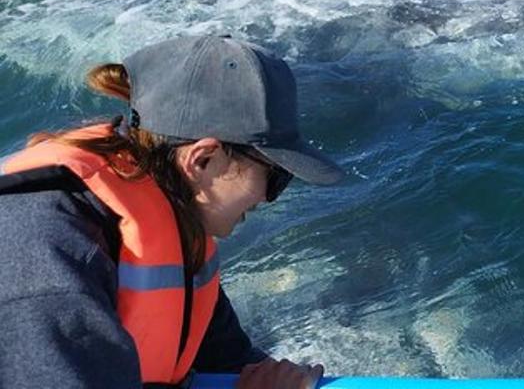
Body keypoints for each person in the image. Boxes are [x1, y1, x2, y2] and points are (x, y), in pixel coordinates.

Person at [0, 34, 346, 388]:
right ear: (203, 159)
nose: (269, 197)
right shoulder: (50, 259)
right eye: (276, 175)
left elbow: (230, 361)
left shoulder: (177, 232)